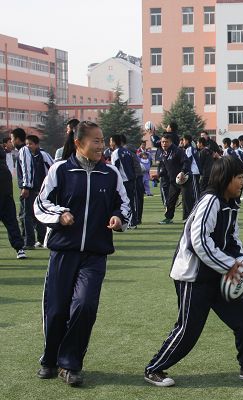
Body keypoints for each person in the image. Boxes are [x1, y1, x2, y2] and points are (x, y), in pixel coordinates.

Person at [144, 156, 243, 387]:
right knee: (189, 329)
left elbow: (232, 238)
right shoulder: (210, 201)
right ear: (225, 179)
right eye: (239, 178)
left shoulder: (231, 203)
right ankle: (154, 368)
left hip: (218, 275)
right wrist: (229, 265)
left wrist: (240, 261)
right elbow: (199, 242)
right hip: (193, 276)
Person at [34, 121, 131, 386]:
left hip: (95, 255)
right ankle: (50, 359)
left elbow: (125, 205)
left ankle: (70, 364)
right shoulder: (60, 170)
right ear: (79, 143)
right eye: (96, 141)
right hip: (63, 252)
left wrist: (118, 218)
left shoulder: (110, 174)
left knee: (85, 306)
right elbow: (41, 203)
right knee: (55, 311)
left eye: (102, 140)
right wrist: (59, 214)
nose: (101, 146)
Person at [0, 135, 26, 259]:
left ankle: (19, 248)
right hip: (6, 192)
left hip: (6, 193)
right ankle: (19, 248)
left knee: (11, 222)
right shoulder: (4, 154)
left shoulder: (4, 154)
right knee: (11, 222)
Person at [159, 134, 191, 224]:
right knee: (170, 199)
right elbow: (165, 168)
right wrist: (159, 175)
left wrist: (182, 172)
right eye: (162, 142)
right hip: (173, 181)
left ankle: (187, 218)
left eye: (166, 142)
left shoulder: (177, 151)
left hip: (184, 179)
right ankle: (168, 218)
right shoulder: (164, 153)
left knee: (186, 200)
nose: (164, 144)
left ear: (171, 142)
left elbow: (186, 162)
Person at [109, 135, 138, 227]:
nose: (109, 143)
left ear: (114, 142)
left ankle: (130, 222)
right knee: (130, 202)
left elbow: (115, 169)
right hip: (131, 180)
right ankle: (133, 222)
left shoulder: (116, 153)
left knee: (125, 202)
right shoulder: (127, 151)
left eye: (110, 141)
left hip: (123, 181)